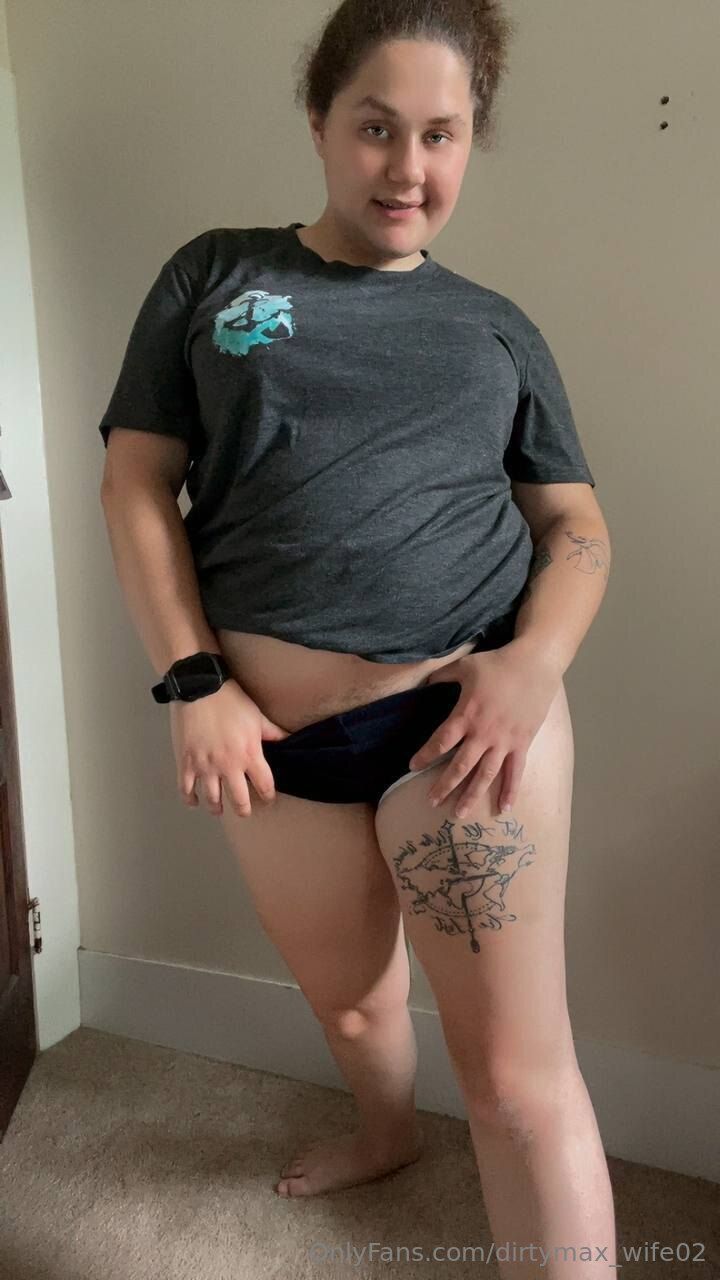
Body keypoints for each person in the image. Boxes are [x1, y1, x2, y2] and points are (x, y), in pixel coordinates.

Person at [99, 0, 616, 1270]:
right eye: (377, 127)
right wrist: (194, 682)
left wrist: (535, 663)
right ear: (320, 122)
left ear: (471, 140)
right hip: (267, 742)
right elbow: (135, 483)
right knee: (349, 1003)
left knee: (516, 1082)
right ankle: (387, 1133)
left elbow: (576, 525)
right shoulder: (215, 276)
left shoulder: (497, 326)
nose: (408, 167)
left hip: (461, 731)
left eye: (442, 134)